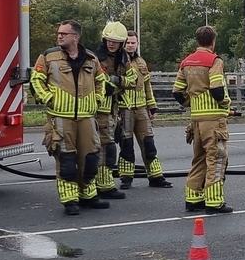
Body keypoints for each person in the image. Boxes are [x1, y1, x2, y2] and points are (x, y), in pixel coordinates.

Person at [29, 20, 109, 215]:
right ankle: (70, 200)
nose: (59, 36)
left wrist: (97, 99)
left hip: (87, 116)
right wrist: (48, 99)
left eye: (64, 33)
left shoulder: (91, 58)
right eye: (59, 33)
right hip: (61, 117)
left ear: (76, 37)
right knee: (66, 159)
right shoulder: (48, 56)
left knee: (90, 157)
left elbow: (101, 80)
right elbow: (36, 80)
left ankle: (88, 195)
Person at [172, 25, 233, 214]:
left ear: (197, 40)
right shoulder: (214, 61)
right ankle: (214, 202)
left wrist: (192, 104)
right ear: (213, 41)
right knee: (217, 158)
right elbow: (216, 89)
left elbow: (177, 92)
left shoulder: (186, 62)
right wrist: (225, 104)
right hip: (214, 120)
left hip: (196, 120)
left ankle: (193, 198)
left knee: (198, 159)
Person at [116, 31, 172, 189]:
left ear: (137, 44)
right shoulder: (117, 61)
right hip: (124, 108)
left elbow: (147, 86)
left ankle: (155, 176)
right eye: (127, 42)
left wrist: (152, 106)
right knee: (126, 144)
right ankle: (126, 178)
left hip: (141, 108)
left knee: (148, 143)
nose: (130, 45)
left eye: (133, 42)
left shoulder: (141, 62)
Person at [94, 21, 137, 200]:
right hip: (96, 109)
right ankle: (99, 185)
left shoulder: (123, 59)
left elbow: (133, 81)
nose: (111, 43)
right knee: (101, 148)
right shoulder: (95, 58)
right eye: (109, 40)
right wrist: (113, 83)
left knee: (108, 148)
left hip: (112, 110)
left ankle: (103, 184)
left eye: (115, 41)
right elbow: (100, 82)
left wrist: (118, 81)